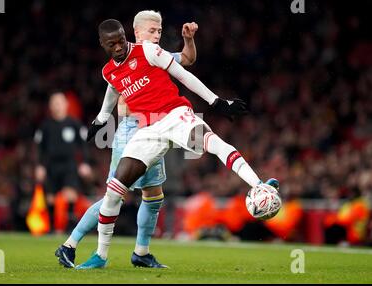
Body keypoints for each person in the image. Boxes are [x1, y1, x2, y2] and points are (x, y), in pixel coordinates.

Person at [73, 19, 279, 269]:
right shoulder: (108, 71)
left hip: (175, 116)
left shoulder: (147, 50)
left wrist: (217, 102)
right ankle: (100, 256)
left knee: (212, 143)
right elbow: (112, 91)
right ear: (103, 44)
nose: (118, 47)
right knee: (116, 187)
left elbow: (184, 74)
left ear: (125, 35)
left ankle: (259, 185)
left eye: (120, 40)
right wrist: (100, 120)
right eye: (111, 44)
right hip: (147, 129)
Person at [55, 10, 198, 268]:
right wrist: (101, 120)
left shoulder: (155, 55)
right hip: (132, 131)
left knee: (154, 194)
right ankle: (69, 244)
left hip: (155, 129)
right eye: (152, 31)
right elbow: (113, 90)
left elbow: (187, 59)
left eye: (160, 30)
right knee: (114, 195)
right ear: (137, 32)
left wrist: (188, 39)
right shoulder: (124, 61)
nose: (157, 35)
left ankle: (141, 253)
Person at [34, 91, 93, 233]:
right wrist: (40, 166)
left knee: (70, 194)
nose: (57, 106)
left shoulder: (74, 124)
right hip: (51, 165)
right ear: (50, 106)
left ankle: (70, 227)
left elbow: (84, 144)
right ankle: (53, 228)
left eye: (59, 103)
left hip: (69, 165)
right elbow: (39, 148)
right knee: (50, 198)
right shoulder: (45, 126)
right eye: (54, 103)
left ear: (66, 105)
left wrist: (85, 162)